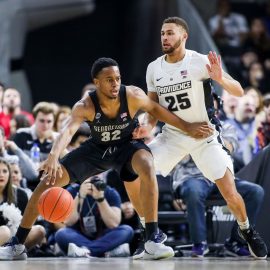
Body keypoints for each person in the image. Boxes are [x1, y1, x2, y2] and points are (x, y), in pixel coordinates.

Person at [0, 57, 212, 260]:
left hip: (126, 147)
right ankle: (17, 243)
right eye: (109, 79)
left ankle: (153, 239)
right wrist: (54, 156)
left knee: (147, 164)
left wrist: (187, 126)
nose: (115, 83)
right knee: (46, 183)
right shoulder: (85, 105)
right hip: (96, 150)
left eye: (118, 78)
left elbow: (157, 110)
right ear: (97, 82)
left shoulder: (132, 95)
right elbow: (66, 130)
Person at [132, 17, 268, 259]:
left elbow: (238, 89)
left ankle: (246, 230)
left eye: (170, 33)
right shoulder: (154, 68)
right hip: (173, 134)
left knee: (230, 192)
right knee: (134, 169)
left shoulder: (199, 61)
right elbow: (153, 107)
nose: (164, 37)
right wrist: (147, 126)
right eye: (163, 33)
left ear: (184, 36)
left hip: (204, 134)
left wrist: (219, 78)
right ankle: (150, 235)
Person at [55, 176, 133, 258]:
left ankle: (85, 252)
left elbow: (113, 224)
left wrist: (100, 199)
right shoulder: (72, 191)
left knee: (127, 230)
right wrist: (80, 196)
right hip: (79, 236)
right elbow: (68, 221)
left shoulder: (110, 193)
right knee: (61, 233)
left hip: (105, 236)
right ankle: (105, 251)